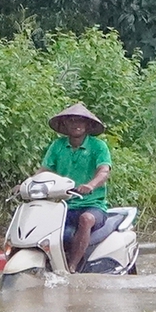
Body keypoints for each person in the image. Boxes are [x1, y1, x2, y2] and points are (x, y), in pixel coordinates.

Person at [41, 103, 112, 269]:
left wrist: (90, 185)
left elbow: (103, 171)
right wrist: (25, 185)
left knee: (85, 219)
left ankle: (72, 267)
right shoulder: (57, 146)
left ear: (87, 125)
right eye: (72, 121)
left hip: (93, 205)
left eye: (80, 121)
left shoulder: (98, 147)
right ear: (65, 124)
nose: (76, 125)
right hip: (63, 205)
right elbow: (44, 170)